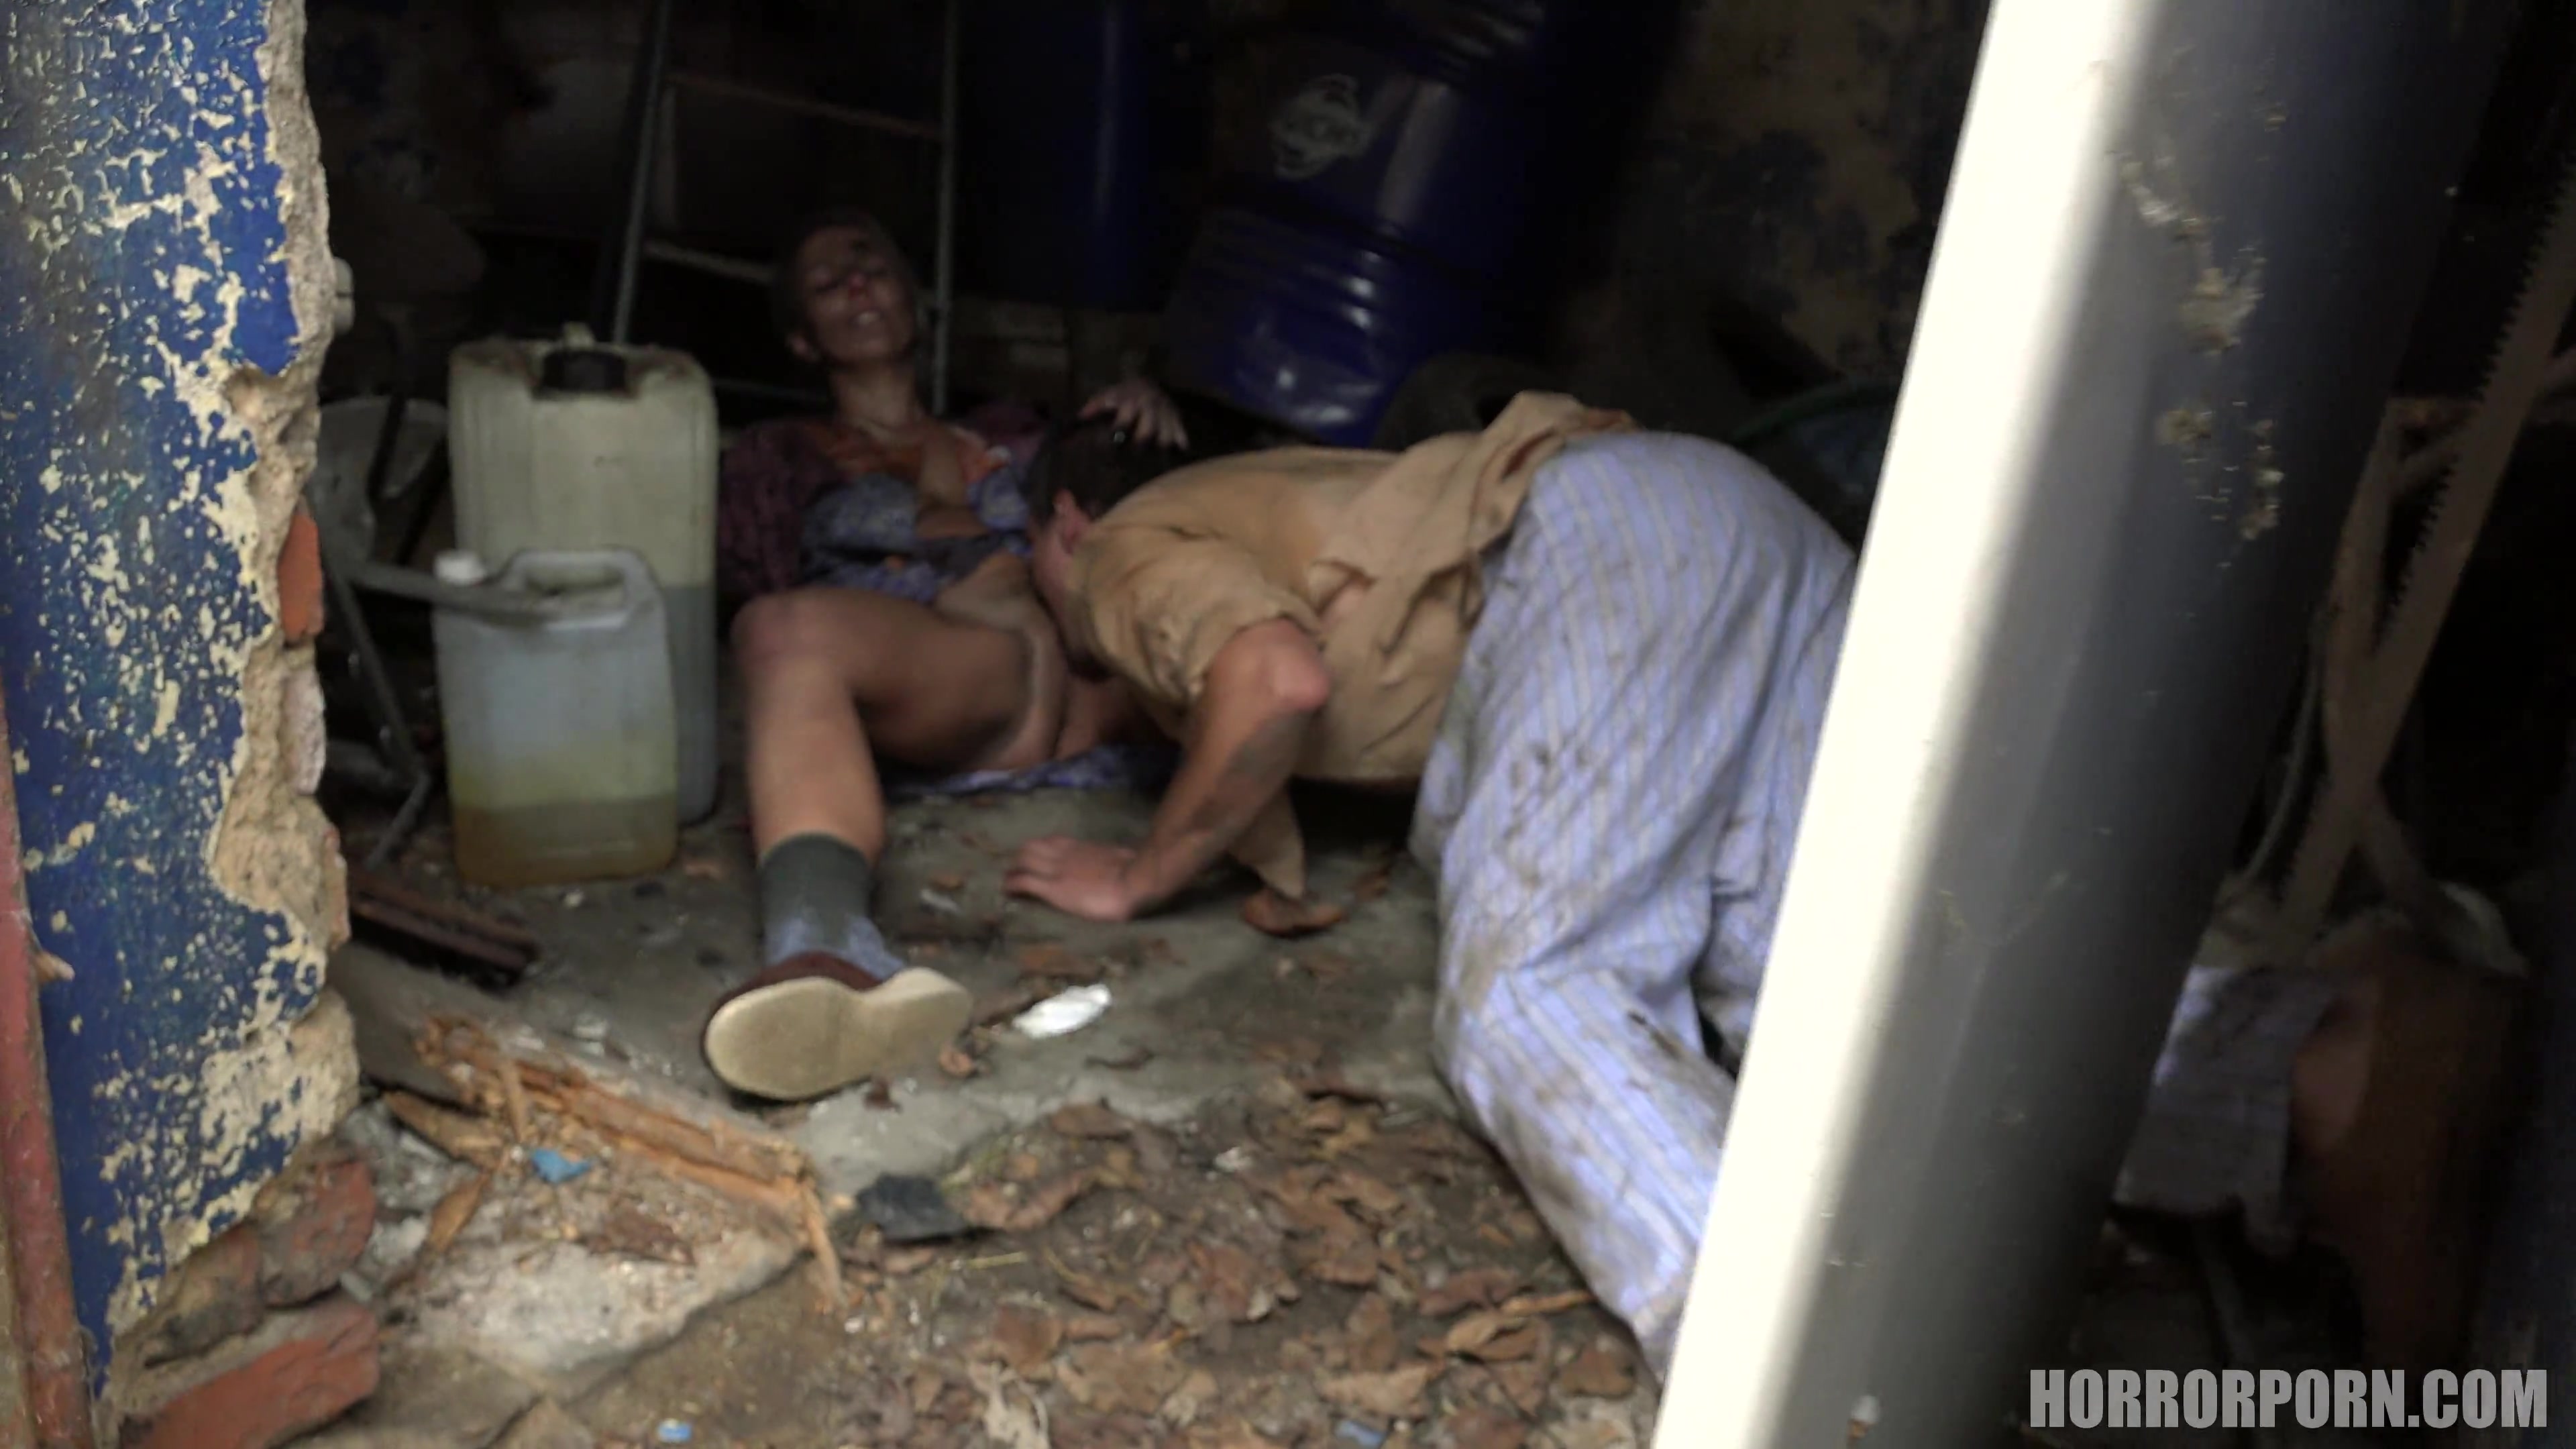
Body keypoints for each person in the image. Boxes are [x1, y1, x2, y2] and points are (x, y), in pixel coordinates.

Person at [998, 392, 2516, 1377]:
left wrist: (1141, 873)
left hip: (1605, 552)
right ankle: (2328, 1077)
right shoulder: (1277, 496)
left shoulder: (1120, 548)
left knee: (1534, 994)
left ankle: (1802, 1383)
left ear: (1062, 531)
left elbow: (1267, 681)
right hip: (1713, 532)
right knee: (1835, 988)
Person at [698, 208, 1185, 1102]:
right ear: (803, 341)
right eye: (827, 282)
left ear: (915, 300)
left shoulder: (1016, 433)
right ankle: (827, 954)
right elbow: (746, 587)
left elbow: (1120, 508)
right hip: (954, 672)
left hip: (1093, 674)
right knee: (779, 630)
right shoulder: (782, 455)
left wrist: (1146, 419)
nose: (857, 282)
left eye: (872, 264)